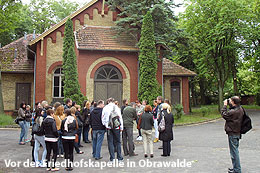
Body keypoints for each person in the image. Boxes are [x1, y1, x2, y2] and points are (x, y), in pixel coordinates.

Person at [221, 96, 244, 173]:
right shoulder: (240, 109)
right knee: (235, 151)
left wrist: (224, 105)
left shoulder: (233, 112)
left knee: (234, 153)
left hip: (233, 133)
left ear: (234, 102)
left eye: (230, 101)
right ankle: (235, 168)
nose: (229, 102)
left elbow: (224, 114)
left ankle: (237, 170)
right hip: (237, 132)